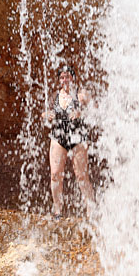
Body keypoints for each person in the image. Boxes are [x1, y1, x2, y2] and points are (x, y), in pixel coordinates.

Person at [41, 64, 95, 216]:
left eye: (68, 76)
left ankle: (90, 207)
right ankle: (58, 210)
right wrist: (47, 115)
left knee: (81, 175)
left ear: (73, 78)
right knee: (55, 174)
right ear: (59, 80)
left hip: (77, 137)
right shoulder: (55, 96)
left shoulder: (81, 94)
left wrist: (81, 112)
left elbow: (95, 109)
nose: (65, 80)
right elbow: (43, 114)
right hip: (58, 137)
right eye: (62, 77)